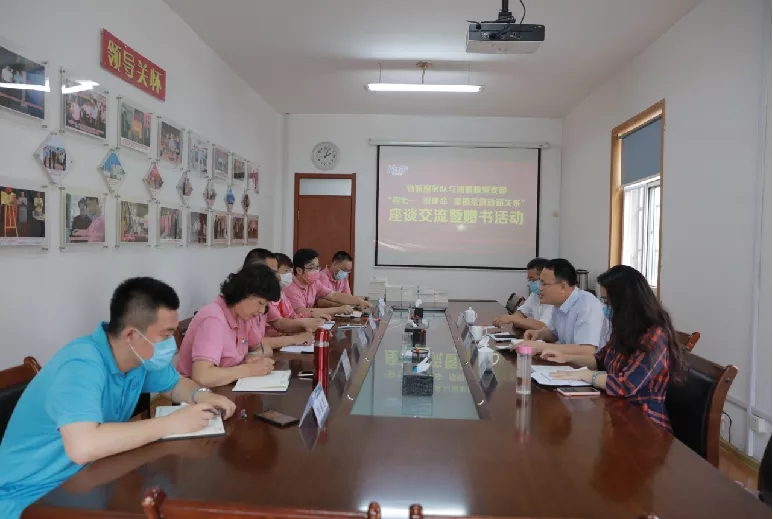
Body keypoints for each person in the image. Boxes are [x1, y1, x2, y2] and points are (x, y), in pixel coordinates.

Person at [0, 278, 236, 519]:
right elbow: (83, 446)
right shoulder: (81, 365)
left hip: (89, 477)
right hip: (30, 497)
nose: (171, 344)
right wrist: (173, 423)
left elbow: (175, 384)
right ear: (131, 334)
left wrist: (201, 395)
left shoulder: (138, 358)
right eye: (165, 335)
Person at [540, 265, 685, 432]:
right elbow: (600, 359)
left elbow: (626, 384)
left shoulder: (655, 335)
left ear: (626, 302)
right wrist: (566, 358)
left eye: (607, 301)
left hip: (645, 423)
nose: (605, 307)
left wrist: (585, 375)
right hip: (617, 411)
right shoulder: (625, 328)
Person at [177, 265, 295, 387]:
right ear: (244, 293)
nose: (261, 311)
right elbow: (202, 377)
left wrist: (251, 357)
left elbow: (263, 348)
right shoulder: (214, 319)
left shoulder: (242, 317)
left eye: (265, 306)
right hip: (196, 393)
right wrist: (248, 369)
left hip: (227, 388)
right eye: (260, 303)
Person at [515, 258, 606, 355]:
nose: (540, 288)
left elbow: (587, 350)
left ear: (563, 287)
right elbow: (554, 333)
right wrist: (539, 334)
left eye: (544, 284)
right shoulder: (559, 304)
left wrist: (540, 347)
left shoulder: (587, 305)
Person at [242, 248, 325, 335]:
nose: (277, 277)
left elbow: (290, 317)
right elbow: (277, 325)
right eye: (273, 272)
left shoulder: (276, 293)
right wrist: (297, 335)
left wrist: (310, 316)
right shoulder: (247, 298)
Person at [284, 248, 371, 317]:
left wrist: (359, 301)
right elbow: (301, 311)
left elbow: (333, 295)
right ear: (299, 270)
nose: (317, 270)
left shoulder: (313, 283)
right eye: (312, 268)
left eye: (317, 267)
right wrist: (337, 309)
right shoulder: (290, 287)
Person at [493, 257, 554, 331]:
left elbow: (543, 326)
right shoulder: (534, 295)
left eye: (533, 279)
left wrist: (514, 319)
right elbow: (521, 312)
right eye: (529, 280)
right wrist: (513, 318)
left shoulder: (554, 299)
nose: (529, 284)